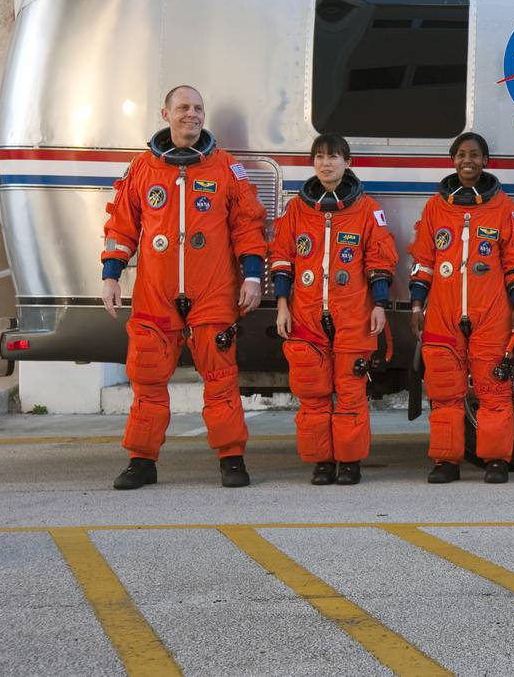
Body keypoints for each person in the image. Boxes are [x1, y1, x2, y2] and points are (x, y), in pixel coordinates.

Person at [101, 85, 266, 489]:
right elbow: (122, 226)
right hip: (155, 291)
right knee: (147, 378)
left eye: (198, 108)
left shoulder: (226, 168)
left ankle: (231, 458)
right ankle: (142, 461)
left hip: (212, 290)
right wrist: (110, 274)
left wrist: (251, 275)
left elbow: (248, 226)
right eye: (183, 108)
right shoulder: (142, 169)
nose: (191, 114)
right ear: (166, 114)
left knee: (221, 376)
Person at [270, 135, 398, 486]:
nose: (326, 164)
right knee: (312, 393)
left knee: (352, 391)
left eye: (334, 157)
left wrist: (380, 305)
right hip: (307, 314)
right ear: (313, 163)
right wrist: (283, 305)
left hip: (354, 312)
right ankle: (322, 461)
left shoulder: (367, 209)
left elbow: (380, 260)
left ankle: (350, 461)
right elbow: (282, 258)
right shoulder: (297, 209)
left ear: (347, 161)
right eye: (320, 157)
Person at [408, 133, 514, 484]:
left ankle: (495, 460)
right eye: (461, 154)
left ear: (485, 161)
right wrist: (417, 305)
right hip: (444, 311)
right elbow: (423, 261)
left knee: (494, 388)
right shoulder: (436, 208)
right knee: (444, 390)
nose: (468, 160)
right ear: (452, 160)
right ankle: (446, 461)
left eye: (475, 155)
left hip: (491, 310)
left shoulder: (503, 207)